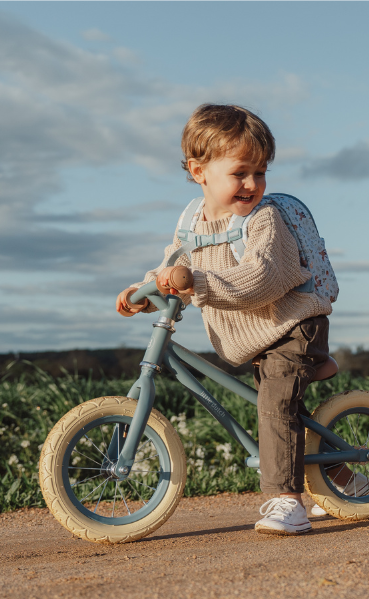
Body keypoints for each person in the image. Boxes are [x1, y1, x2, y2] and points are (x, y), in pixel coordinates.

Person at [115, 103, 337, 534]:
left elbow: (263, 278)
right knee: (285, 413)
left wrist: (196, 282)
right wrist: (143, 291)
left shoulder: (264, 219)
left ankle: (287, 501)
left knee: (275, 405)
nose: (252, 184)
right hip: (254, 337)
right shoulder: (190, 222)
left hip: (292, 325)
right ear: (199, 171)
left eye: (260, 172)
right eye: (240, 173)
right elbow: (172, 266)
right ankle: (346, 480)